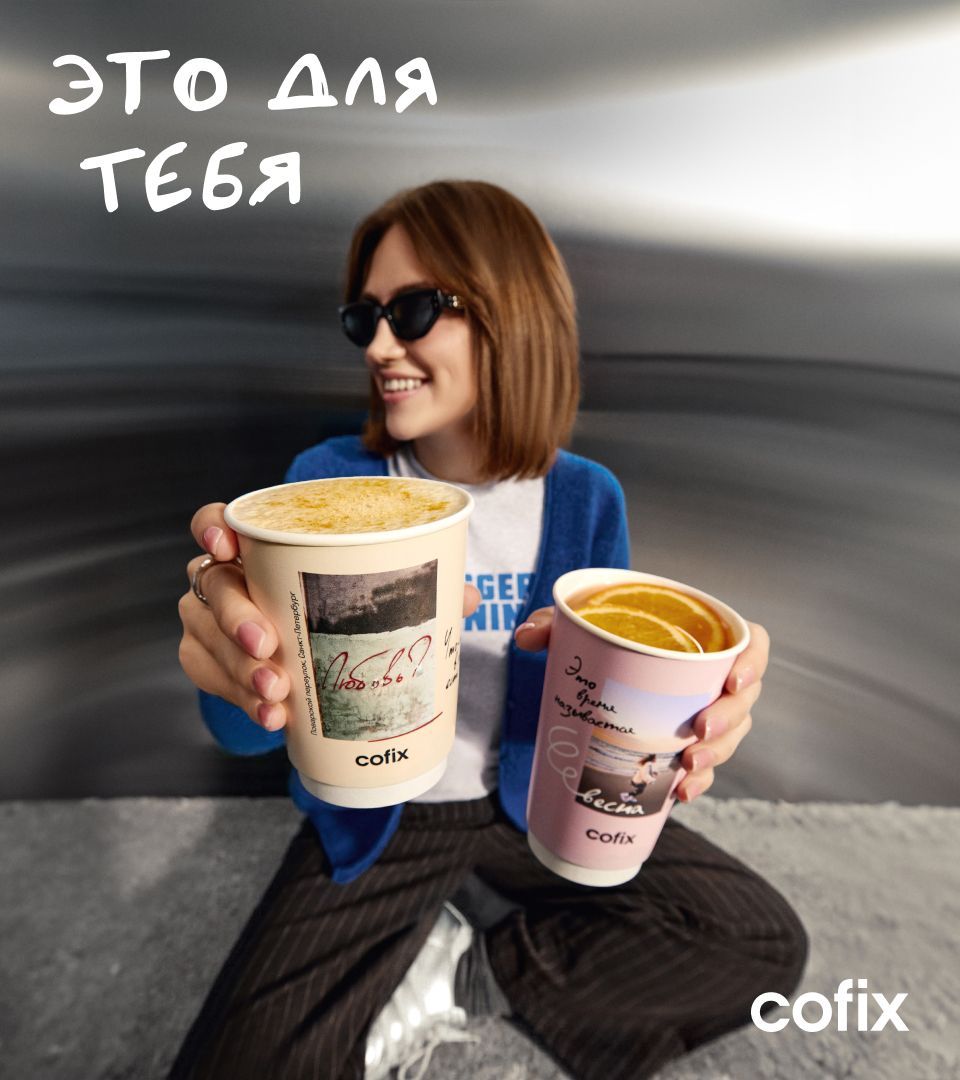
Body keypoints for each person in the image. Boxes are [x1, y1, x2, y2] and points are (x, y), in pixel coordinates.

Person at [174, 180, 807, 1080]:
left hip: (533, 805)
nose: (379, 346)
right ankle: (438, 929)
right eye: (364, 318)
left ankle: (462, 969)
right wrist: (233, 669)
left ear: (511, 314)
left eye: (412, 311)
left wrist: (692, 702)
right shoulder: (324, 485)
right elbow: (244, 729)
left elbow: (600, 699)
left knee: (756, 941)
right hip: (383, 817)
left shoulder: (586, 498)